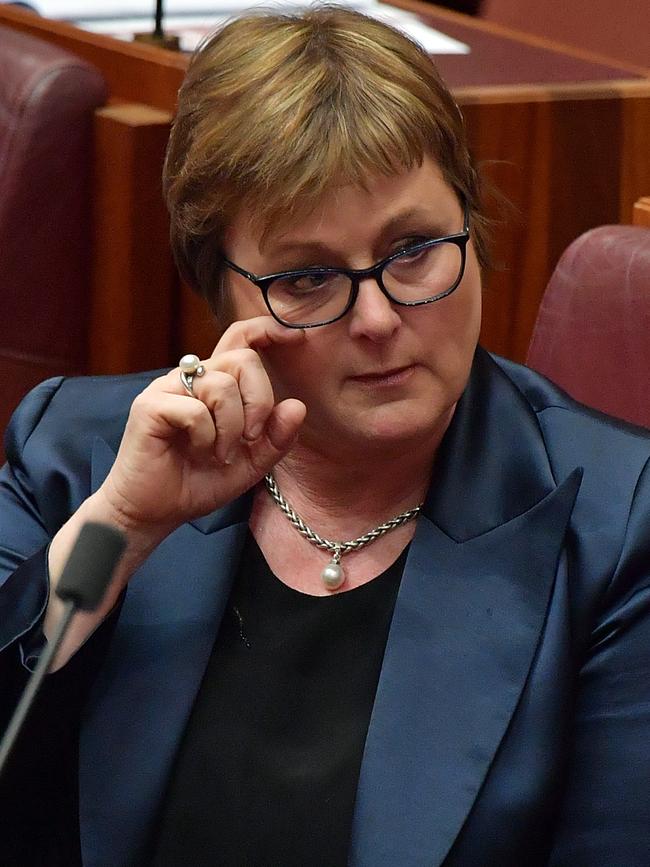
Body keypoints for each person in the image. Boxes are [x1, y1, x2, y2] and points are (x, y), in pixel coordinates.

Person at [1, 6, 650, 866]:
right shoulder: (75, 455)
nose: (379, 318)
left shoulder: (615, 529)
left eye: (414, 249)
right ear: (221, 293)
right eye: (308, 276)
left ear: (471, 219)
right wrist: (120, 529)